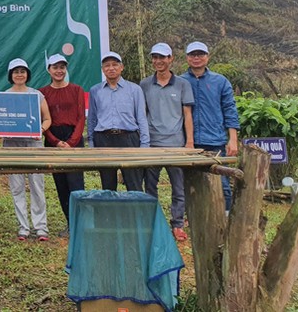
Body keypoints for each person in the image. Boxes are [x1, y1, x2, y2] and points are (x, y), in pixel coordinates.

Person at [140, 43, 195, 241]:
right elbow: (142, 114)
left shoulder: (182, 84)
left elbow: (187, 114)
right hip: (153, 144)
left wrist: (189, 142)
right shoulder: (145, 84)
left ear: (170, 58)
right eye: (155, 57)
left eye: (162, 57)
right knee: (150, 186)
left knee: (178, 186)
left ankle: (178, 223)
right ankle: (154, 221)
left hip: (176, 144)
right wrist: (143, 143)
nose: (158, 61)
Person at [181, 41, 239, 212]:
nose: (196, 58)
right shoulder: (180, 81)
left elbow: (230, 109)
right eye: (193, 54)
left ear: (208, 56)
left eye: (200, 54)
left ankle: (225, 219)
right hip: (188, 143)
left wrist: (233, 139)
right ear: (187, 58)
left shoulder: (220, 81)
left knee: (222, 185)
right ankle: (195, 220)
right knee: (191, 184)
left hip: (215, 141)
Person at [3, 58, 52, 242]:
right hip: (12, 145)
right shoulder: (5, 96)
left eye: (23, 71)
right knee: (16, 187)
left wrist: (40, 130)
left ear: (27, 74)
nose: (19, 74)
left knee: (37, 186)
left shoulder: (36, 95)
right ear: (10, 75)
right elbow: (0, 122)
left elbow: (47, 119)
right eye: (15, 71)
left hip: (34, 145)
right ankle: (23, 227)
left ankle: (41, 227)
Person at [88, 52, 149, 191]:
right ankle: (110, 211)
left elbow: (141, 118)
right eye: (107, 65)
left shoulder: (134, 89)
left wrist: (145, 144)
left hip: (128, 138)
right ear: (103, 69)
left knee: (134, 183)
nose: (111, 68)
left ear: (121, 67)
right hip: (104, 139)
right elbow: (92, 119)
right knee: (108, 184)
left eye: (115, 64)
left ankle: (135, 212)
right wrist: (92, 143)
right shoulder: (95, 90)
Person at [38, 53, 85, 237]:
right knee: (61, 184)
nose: (59, 71)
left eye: (62, 67)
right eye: (55, 67)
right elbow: (43, 120)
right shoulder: (42, 93)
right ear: (49, 70)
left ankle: (80, 224)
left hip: (73, 139)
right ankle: (69, 223)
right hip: (53, 139)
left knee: (76, 183)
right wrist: (55, 141)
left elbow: (81, 118)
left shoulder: (77, 90)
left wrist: (71, 143)